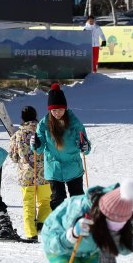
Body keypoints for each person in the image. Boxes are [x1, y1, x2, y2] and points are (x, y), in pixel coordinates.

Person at [31, 83, 90, 212]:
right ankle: (59, 223)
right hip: (54, 167)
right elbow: (39, 148)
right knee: (57, 198)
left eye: (60, 109)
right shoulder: (44, 124)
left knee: (77, 197)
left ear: (65, 108)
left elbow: (85, 144)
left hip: (73, 166)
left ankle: (79, 222)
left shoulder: (74, 122)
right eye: (54, 110)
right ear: (50, 110)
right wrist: (35, 144)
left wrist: (84, 146)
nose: (57, 113)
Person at [9, 106, 51, 241]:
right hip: (44, 173)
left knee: (29, 204)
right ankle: (41, 223)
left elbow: (14, 157)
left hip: (26, 175)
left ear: (22, 118)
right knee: (45, 201)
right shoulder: (44, 131)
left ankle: (31, 233)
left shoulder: (17, 135)